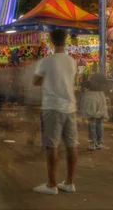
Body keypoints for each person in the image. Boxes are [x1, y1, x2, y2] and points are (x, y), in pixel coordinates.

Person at [33, 29, 78, 195]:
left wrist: (49, 79)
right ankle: (70, 182)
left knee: (52, 146)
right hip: (70, 107)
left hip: (52, 107)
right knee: (72, 145)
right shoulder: (71, 61)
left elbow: (35, 81)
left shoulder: (46, 61)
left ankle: (52, 184)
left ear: (51, 41)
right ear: (65, 41)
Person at [80, 72, 109, 150]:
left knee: (91, 121)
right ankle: (100, 142)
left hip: (90, 98)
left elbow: (82, 89)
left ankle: (93, 143)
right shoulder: (103, 83)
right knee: (99, 122)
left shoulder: (89, 83)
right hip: (101, 97)